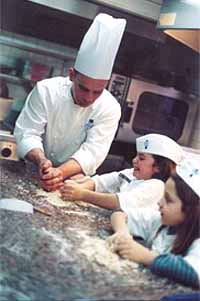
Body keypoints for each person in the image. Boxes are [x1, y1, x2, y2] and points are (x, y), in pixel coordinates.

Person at [14, 13, 126, 192]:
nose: (89, 98)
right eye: (83, 88)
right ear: (72, 75)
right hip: (33, 169)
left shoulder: (110, 108)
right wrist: (42, 161)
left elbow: (93, 151)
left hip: (74, 180)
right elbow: (27, 133)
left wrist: (58, 173)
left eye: (97, 91)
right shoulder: (46, 91)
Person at [107, 159, 200, 289]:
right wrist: (122, 232)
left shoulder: (197, 241)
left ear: (192, 211)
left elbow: (193, 273)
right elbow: (120, 213)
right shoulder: (161, 222)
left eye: (168, 200)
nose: (159, 203)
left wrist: (146, 256)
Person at [60, 133, 183, 210]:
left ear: (159, 167)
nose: (134, 160)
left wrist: (82, 194)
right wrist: (79, 185)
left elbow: (118, 202)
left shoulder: (156, 186)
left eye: (141, 158)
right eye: (136, 156)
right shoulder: (133, 174)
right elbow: (103, 182)